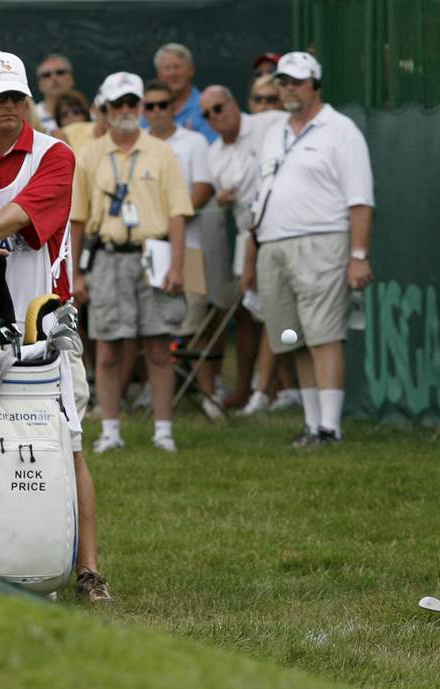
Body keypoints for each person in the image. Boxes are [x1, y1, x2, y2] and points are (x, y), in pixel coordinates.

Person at [0, 50, 111, 601]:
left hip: (45, 321)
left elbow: (27, 215)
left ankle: (86, 570)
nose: (11, 107)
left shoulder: (56, 156)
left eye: (18, 97)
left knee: (67, 442)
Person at [253, 52, 374, 445]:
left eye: (296, 81)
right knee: (293, 337)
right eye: (282, 82)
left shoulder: (341, 130)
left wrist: (357, 256)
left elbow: (360, 199)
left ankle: (330, 426)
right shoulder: (274, 132)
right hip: (273, 244)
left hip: (322, 241)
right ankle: (311, 423)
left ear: (316, 85)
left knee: (324, 335)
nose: (288, 88)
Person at [70, 72, 193, 453]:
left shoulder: (162, 152)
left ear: (140, 107)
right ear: (105, 110)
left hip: (152, 253)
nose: (125, 111)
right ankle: (110, 429)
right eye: (117, 105)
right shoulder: (89, 155)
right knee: (107, 348)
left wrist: (176, 265)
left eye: (131, 104)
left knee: (158, 345)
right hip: (106, 255)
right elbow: (77, 218)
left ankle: (163, 431)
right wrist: (74, 273)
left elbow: (177, 214)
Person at [200, 85, 297, 414]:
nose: (215, 116)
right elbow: (220, 198)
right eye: (207, 113)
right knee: (254, 310)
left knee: (271, 309)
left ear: (232, 102)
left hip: (280, 227)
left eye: (219, 107)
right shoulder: (214, 153)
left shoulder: (267, 123)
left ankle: (266, 388)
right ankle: (266, 387)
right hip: (246, 236)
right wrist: (222, 199)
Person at [141, 79, 218, 415]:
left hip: (189, 244)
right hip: (145, 248)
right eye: (150, 106)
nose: (156, 111)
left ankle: (206, 393)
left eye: (163, 105)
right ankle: (151, 390)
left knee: (194, 322)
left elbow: (203, 189)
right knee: (149, 321)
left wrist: (170, 221)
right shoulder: (138, 143)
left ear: (174, 108)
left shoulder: (195, 141)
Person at [149, 43, 216, 143]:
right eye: (167, 68)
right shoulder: (147, 108)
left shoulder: (207, 106)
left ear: (191, 70)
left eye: (178, 67)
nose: (173, 73)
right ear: (159, 74)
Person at [33, 53, 75, 132]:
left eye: (60, 72)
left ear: (71, 79)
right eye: (46, 75)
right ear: (40, 84)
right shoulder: (32, 118)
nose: (54, 78)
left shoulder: (90, 115)